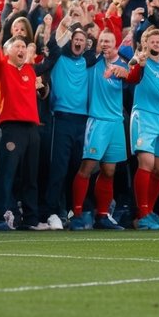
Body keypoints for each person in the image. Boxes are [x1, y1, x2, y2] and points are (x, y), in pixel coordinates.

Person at [124, 0, 159, 230]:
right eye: (152, 40)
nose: (157, 42)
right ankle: (141, 214)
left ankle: (150, 210)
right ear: (145, 44)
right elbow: (132, 79)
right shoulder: (139, 60)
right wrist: (139, 64)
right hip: (144, 115)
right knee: (146, 163)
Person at [0, 18, 45, 231]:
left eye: (23, 46)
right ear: (7, 50)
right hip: (12, 128)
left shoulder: (29, 70)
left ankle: (31, 218)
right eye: (17, 46)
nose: (21, 49)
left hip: (32, 128)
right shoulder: (2, 67)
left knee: (31, 176)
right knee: (7, 173)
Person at [69, 27, 129, 230]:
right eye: (102, 41)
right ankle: (76, 214)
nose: (104, 44)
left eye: (109, 41)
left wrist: (125, 72)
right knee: (87, 168)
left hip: (116, 123)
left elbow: (132, 76)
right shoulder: (92, 63)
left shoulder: (123, 65)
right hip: (97, 121)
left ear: (116, 45)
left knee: (109, 170)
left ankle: (102, 215)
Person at [40, 22, 92, 231]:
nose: (78, 42)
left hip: (84, 121)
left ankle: (75, 211)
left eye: (81, 40)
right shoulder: (59, 58)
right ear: (70, 42)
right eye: (75, 39)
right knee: (58, 169)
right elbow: (52, 43)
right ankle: (51, 212)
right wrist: (55, 25)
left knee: (78, 169)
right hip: (62, 119)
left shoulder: (88, 61)